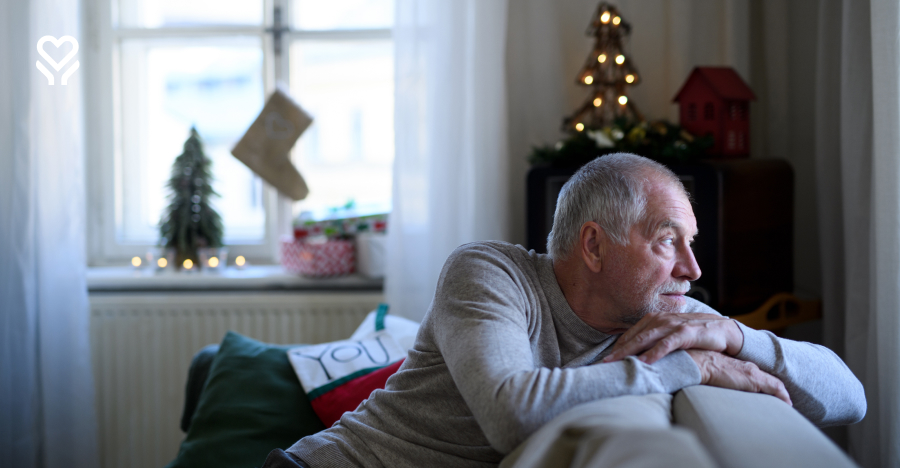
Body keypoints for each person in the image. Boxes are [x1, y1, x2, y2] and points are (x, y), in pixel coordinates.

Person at [264, 153, 866, 468]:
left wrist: (735, 336)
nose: (693, 269)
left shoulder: (669, 315)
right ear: (595, 245)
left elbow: (849, 399)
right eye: (666, 242)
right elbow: (510, 413)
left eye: (693, 243)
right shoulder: (490, 274)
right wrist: (693, 369)